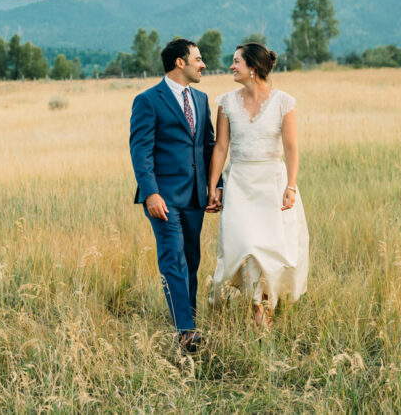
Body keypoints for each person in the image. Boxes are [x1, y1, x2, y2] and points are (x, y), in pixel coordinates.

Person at [206, 42, 309, 328]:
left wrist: (291, 186)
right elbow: (220, 147)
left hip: (272, 185)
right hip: (239, 183)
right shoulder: (226, 102)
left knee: (270, 251)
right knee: (245, 246)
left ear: (253, 68)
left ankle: (265, 312)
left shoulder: (284, 102)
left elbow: (291, 148)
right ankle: (259, 311)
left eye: (236, 61)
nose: (231, 66)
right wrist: (213, 186)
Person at [129, 38, 218, 352]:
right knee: (173, 260)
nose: (202, 63)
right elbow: (141, 152)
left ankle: (187, 319)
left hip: (195, 196)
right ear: (180, 62)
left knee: (191, 260)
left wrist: (215, 186)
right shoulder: (148, 100)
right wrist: (151, 193)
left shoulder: (203, 99)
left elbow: (208, 146)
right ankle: (186, 331)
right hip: (163, 198)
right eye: (197, 58)